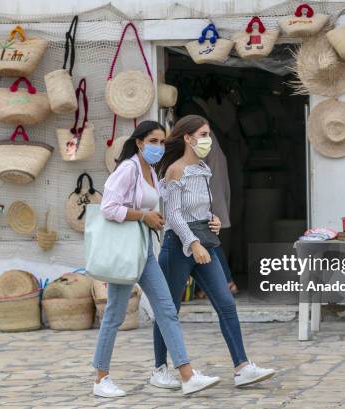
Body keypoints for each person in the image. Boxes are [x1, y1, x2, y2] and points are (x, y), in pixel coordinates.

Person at [92, 121, 220, 397]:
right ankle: (101, 379)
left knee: (166, 309)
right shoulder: (127, 169)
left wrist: (154, 218)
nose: (158, 147)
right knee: (114, 314)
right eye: (153, 141)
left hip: (144, 249)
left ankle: (187, 375)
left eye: (162, 142)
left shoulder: (150, 170)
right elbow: (108, 207)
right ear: (139, 142)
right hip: (125, 251)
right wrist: (144, 216)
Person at [151, 115, 275, 389]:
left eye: (208, 134)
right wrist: (193, 244)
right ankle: (160, 369)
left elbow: (201, 208)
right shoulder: (175, 170)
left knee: (226, 304)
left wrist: (214, 220)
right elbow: (173, 213)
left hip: (204, 242)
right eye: (203, 134)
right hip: (178, 245)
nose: (207, 140)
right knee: (169, 309)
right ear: (187, 138)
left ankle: (242, 366)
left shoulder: (204, 169)